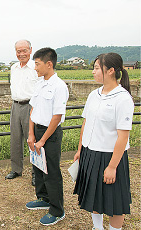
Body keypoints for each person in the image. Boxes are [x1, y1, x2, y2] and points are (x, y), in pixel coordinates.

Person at [73, 53, 134, 230]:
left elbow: (123, 136)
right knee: (93, 195)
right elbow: (86, 122)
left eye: (97, 68)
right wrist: (80, 150)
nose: (93, 72)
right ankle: (97, 227)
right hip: (90, 152)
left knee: (115, 200)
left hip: (111, 156)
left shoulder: (123, 98)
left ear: (111, 71)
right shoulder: (94, 94)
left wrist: (112, 166)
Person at [26, 48, 69, 225]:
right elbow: (33, 110)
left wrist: (43, 139)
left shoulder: (59, 86)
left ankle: (57, 210)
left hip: (50, 134)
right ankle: (43, 198)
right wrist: (31, 134)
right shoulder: (39, 83)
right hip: (36, 131)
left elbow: (57, 117)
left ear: (49, 64)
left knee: (51, 171)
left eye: (37, 64)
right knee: (38, 166)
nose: (35, 68)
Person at [5, 40, 39, 185]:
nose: (21, 54)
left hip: (31, 105)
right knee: (15, 139)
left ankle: (36, 172)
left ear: (30, 50)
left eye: (24, 50)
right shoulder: (13, 68)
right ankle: (16, 169)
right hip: (15, 105)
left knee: (32, 139)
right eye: (18, 51)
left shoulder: (35, 68)